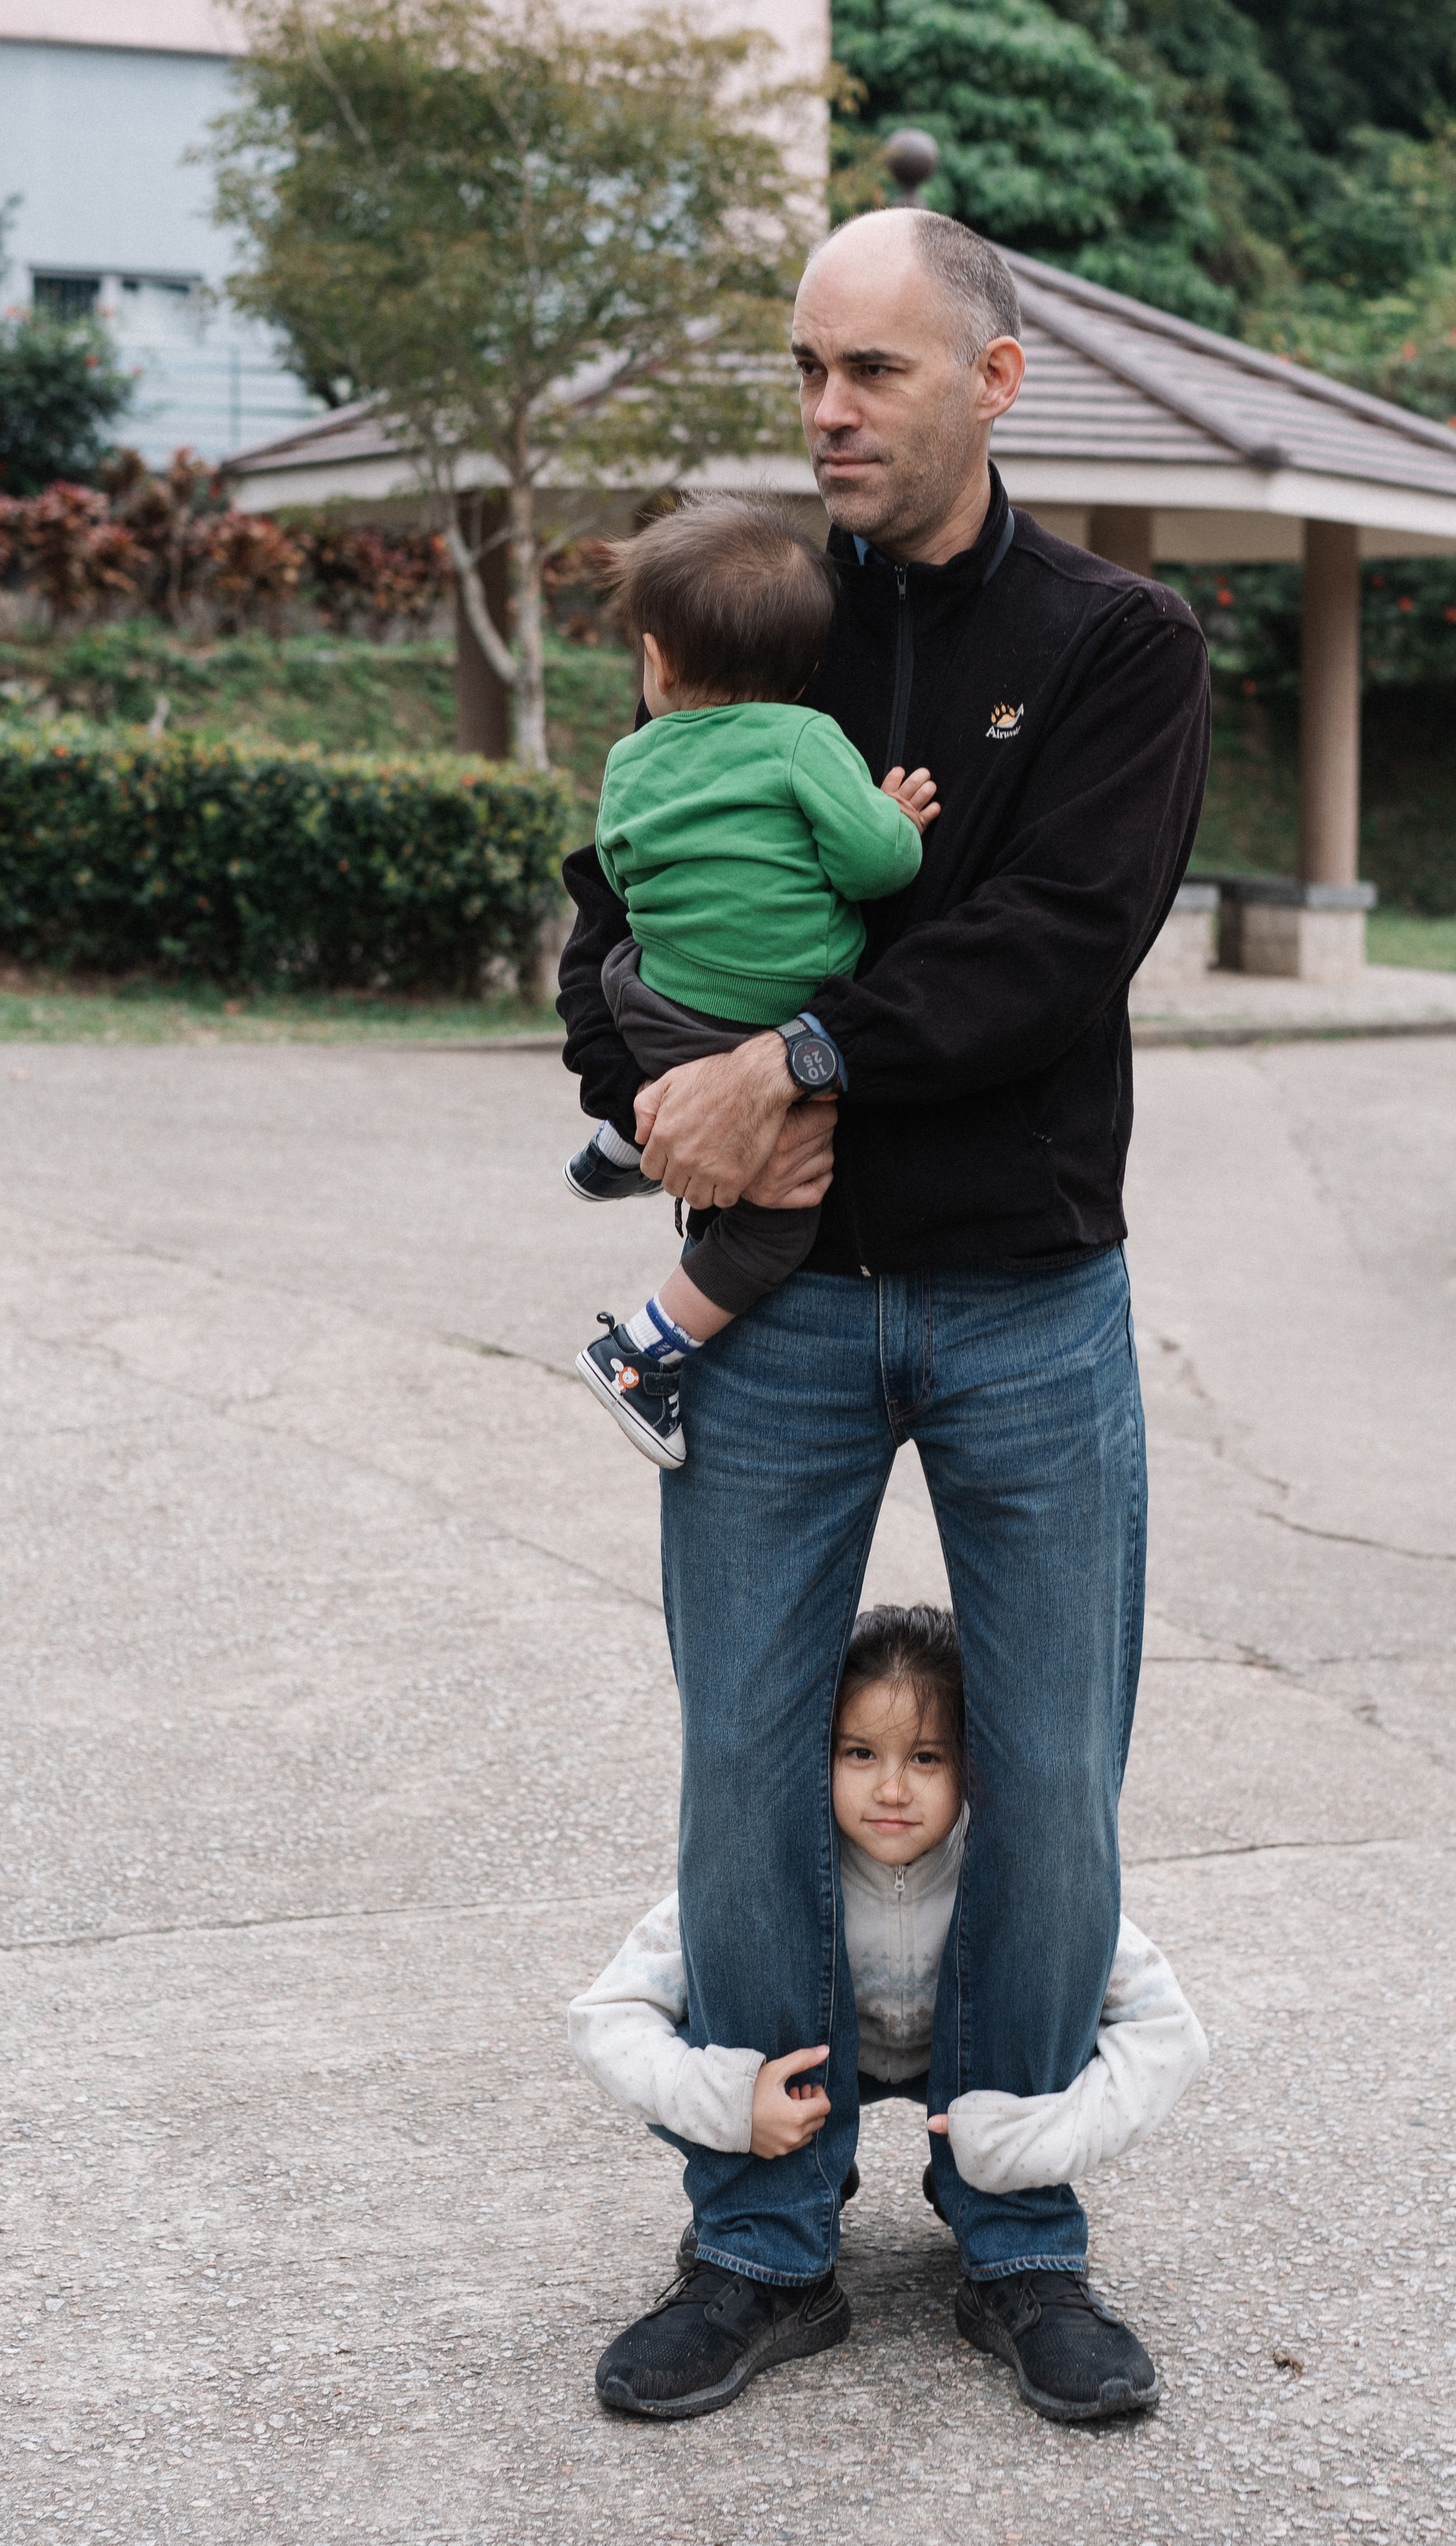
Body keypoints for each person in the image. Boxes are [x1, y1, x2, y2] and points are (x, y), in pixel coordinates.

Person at [557, 205, 1211, 2423]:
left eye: (875, 373)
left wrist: (797, 1064)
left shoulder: (1121, 641)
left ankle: (1017, 2220)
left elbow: (1054, 942)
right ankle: (760, 2233)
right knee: (748, 1757)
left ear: (993, 384)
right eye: (808, 371)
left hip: (1035, 1291)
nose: (826, 411)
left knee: (1048, 1768)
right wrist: (649, 1093)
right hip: (786, 1310)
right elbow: (612, 900)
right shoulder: (757, 615)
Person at [568, 1606, 1207, 2420]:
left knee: (1066, 1976)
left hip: (976, 2069)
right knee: (702, 2028)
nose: (893, 1789)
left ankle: (1019, 2242)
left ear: (974, 1764)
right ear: (817, 1753)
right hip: (807, 2083)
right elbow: (605, 2016)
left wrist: (1036, 2142)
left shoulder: (1013, 1873)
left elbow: (1169, 2036)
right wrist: (728, 2104)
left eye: (928, 1757)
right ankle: (780, 2211)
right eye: (860, 1754)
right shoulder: (770, 1869)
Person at [564, 498, 937, 1469]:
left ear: (658, 660)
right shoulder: (806, 739)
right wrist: (891, 815)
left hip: (651, 1005)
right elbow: (874, 868)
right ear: (808, 667)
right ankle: (643, 1351)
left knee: (617, 960)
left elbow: (621, 868)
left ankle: (626, 1135)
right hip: (767, 1024)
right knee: (778, 1223)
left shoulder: (631, 755)